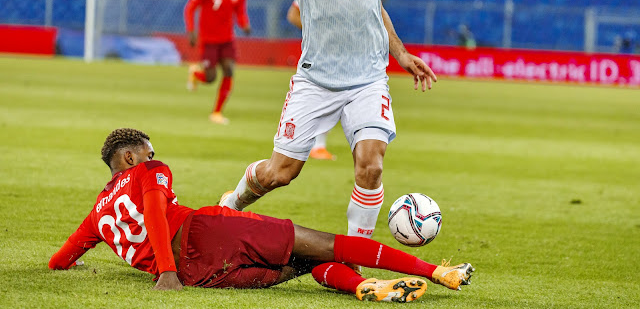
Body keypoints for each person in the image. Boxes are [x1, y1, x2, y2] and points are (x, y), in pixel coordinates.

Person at [220, 0, 438, 247]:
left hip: (368, 78)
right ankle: (231, 204)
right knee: (281, 172)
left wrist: (399, 52)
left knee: (371, 165)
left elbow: (374, 5)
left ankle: (358, 254)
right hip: (316, 79)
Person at [49, 128, 474, 302]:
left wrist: (75, 263)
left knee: (306, 264)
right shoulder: (148, 172)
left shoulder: (97, 214)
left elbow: (59, 259)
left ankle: (366, 287)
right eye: (147, 150)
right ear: (129, 156)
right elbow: (158, 216)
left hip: (202, 274)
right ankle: (438, 271)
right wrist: (165, 271)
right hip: (208, 234)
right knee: (327, 244)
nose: (153, 156)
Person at [183, 0, 251, 125]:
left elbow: (240, 13)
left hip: (227, 40)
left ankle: (217, 112)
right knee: (211, 77)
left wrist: (245, 25)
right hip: (208, 40)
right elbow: (190, 8)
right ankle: (195, 73)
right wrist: (191, 30)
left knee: (229, 70)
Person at [287, 0, 336, 161]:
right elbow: (293, 15)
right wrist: (316, 31)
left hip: (340, 52)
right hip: (321, 53)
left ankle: (312, 144)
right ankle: (315, 145)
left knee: (331, 97)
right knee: (326, 96)